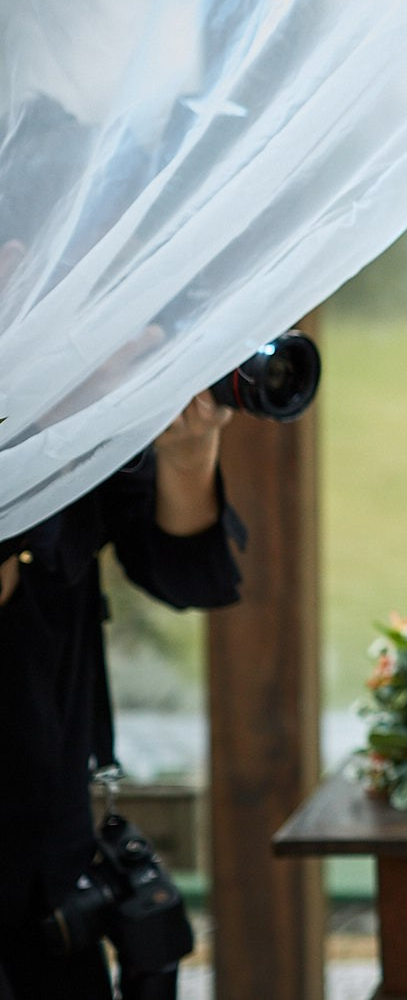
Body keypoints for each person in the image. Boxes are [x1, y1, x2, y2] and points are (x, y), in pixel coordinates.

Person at [0, 393, 243, 1000]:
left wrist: (188, 454)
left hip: (51, 826)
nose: (147, 339)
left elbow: (185, 573)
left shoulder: (78, 421)